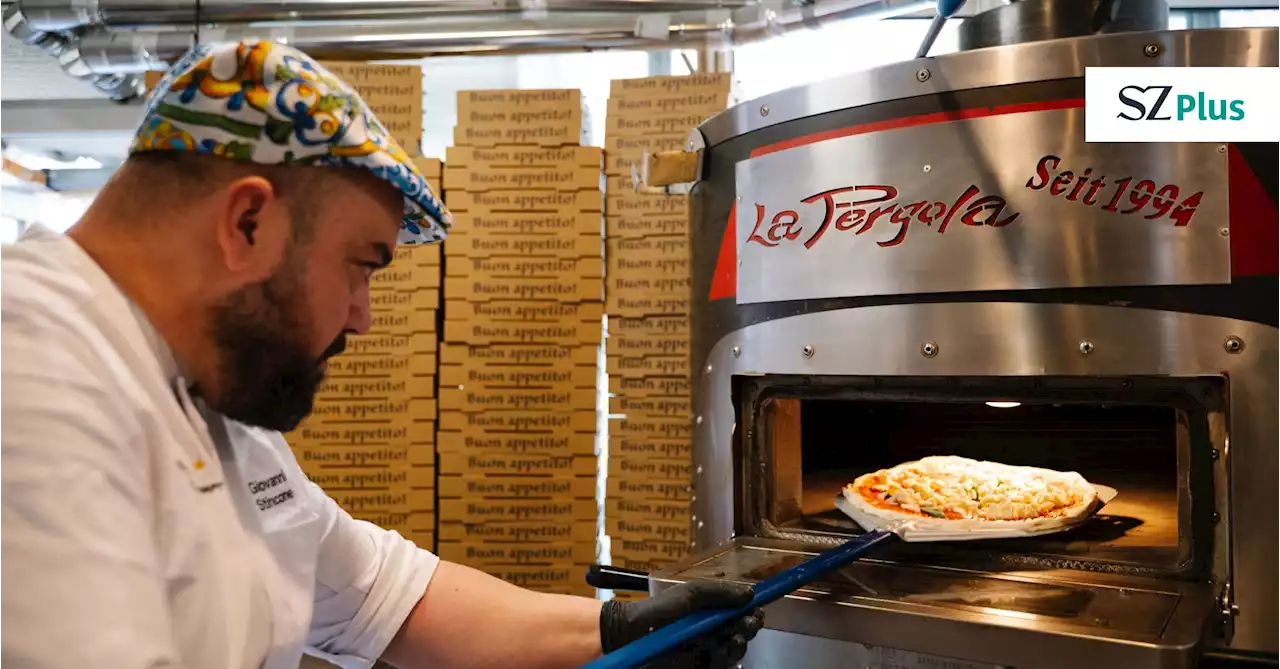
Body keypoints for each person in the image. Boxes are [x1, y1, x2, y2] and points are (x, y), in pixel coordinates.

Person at [0, 40, 763, 669]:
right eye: (362, 265)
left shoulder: (209, 391)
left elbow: (377, 592)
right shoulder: (33, 371)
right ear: (247, 224)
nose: (363, 317)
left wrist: (617, 631)